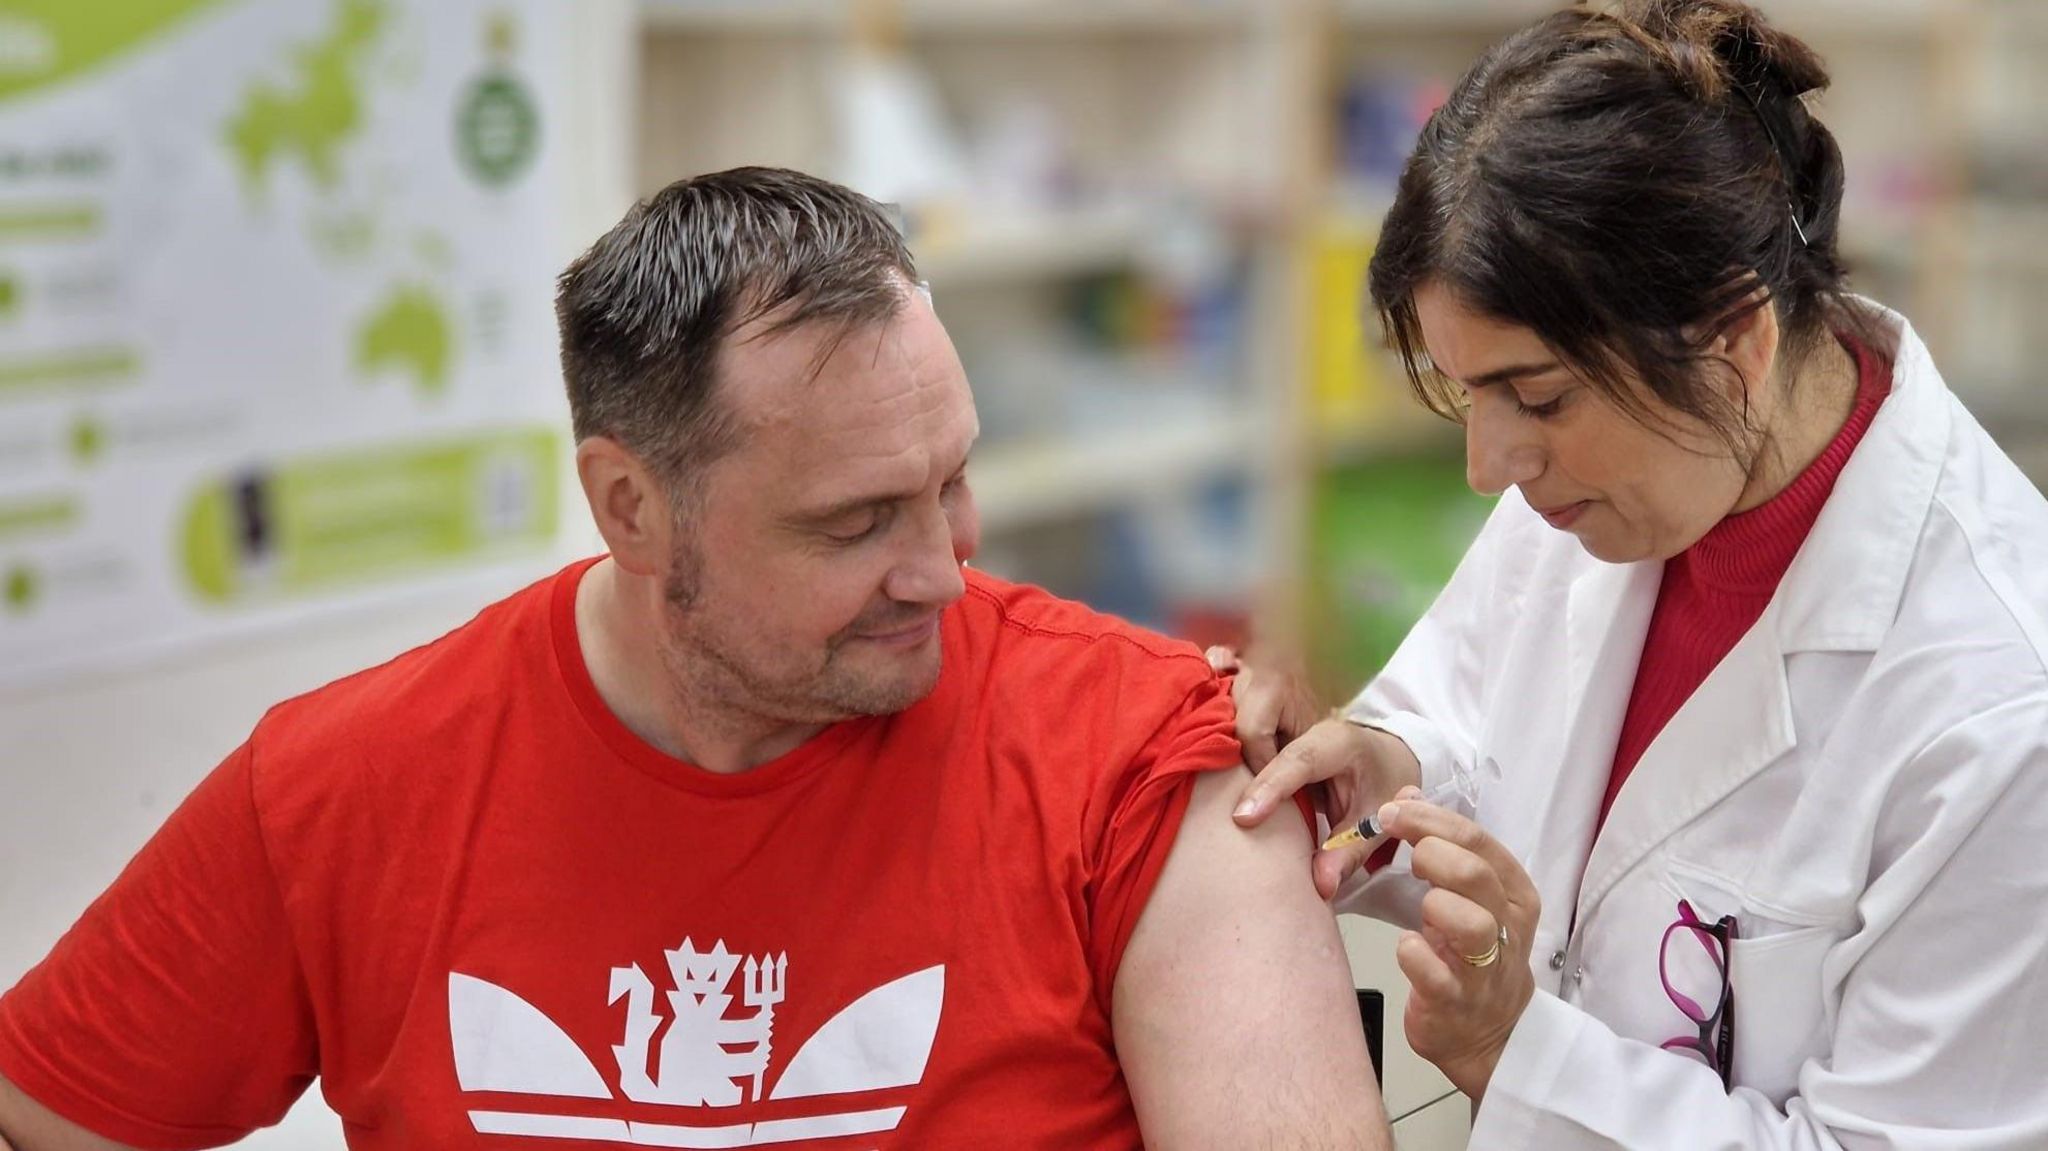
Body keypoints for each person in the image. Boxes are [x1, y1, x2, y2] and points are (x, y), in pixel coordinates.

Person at [0, 168, 1387, 1150]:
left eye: (952, 479)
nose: (944, 565)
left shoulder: (1143, 754)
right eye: (855, 520)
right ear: (631, 508)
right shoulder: (343, 786)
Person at [1219, 1, 2048, 1147]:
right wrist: (1383, 770)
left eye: (1537, 396)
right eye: (1470, 395)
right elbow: (1487, 734)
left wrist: (1515, 1050)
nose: (1487, 466)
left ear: (1733, 347)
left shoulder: (2002, 704)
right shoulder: (1618, 481)